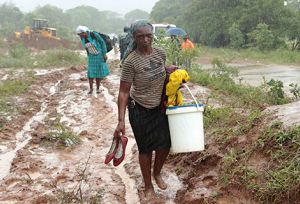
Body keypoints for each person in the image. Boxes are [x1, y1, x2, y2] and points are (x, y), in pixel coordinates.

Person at [114, 20, 171, 200]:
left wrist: (171, 73)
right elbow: (123, 92)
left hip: (159, 107)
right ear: (134, 38)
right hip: (139, 108)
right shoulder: (131, 62)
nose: (146, 40)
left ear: (152, 35)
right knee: (145, 149)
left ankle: (157, 173)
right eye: (141, 37)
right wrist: (121, 121)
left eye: (149, 35)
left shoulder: (160, 53)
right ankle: (148, 186)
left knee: (165, 144)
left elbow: (162, 72)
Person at [76, 25, 109, 94]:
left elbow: (102, 43)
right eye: (79, 35)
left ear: (84, 32)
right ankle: (91, 89)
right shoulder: (82, 38)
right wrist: (88, 55)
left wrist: (104, 54)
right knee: (90, 73)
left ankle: (97, 88)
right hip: (91, 56)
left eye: (80, 34)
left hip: (99, 55)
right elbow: (86, 48)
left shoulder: (94, 34)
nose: (80, 36)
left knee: (98, 73)